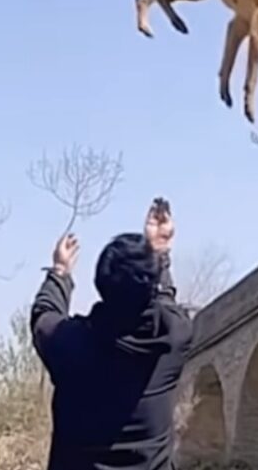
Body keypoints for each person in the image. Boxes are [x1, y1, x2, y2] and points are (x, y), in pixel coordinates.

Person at [30, 198, 194, 470]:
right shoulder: (171, 339)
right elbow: (164, 300)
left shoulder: (69, 345)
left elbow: (43, 315)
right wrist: (160, 252)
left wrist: (60, 273)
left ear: (100, 282)